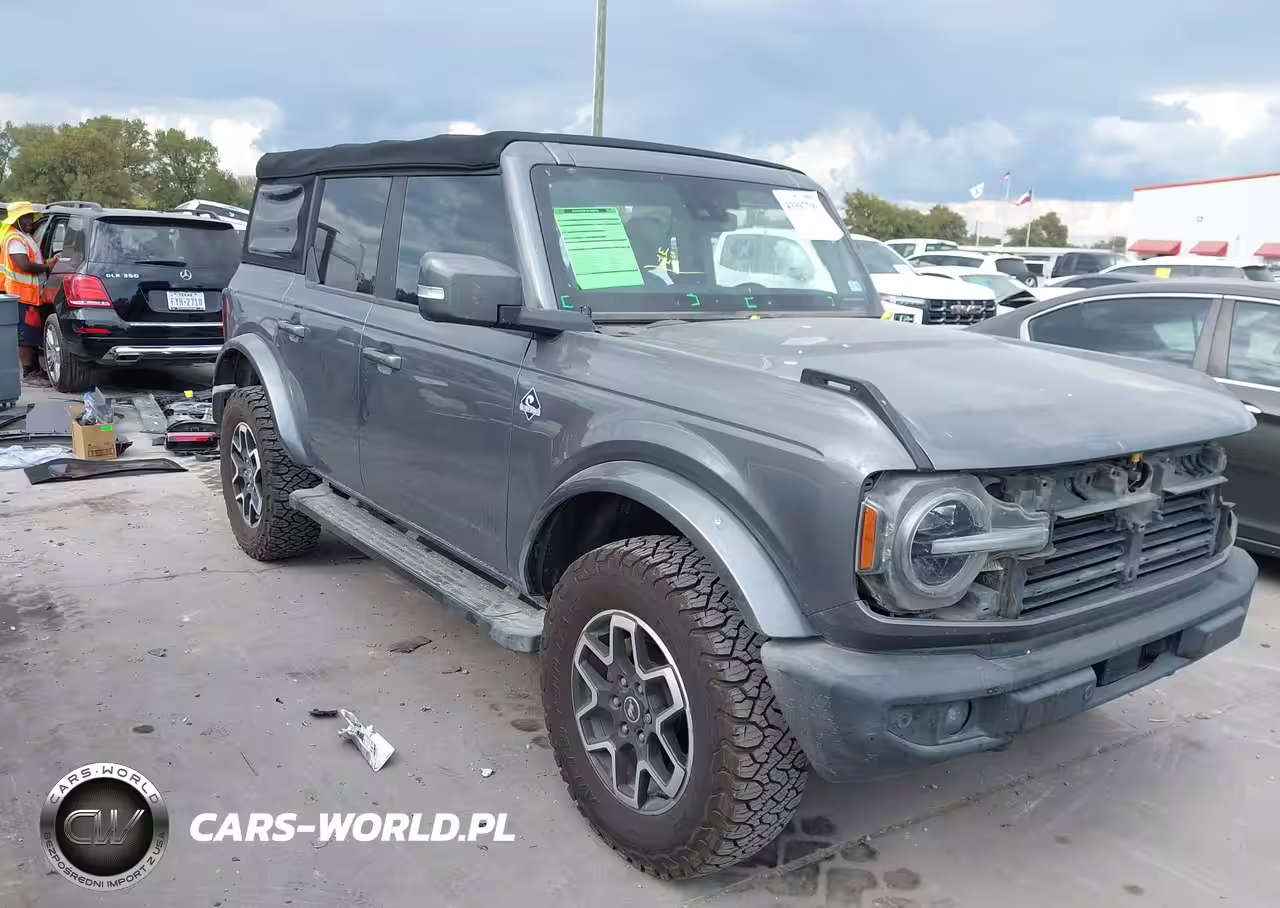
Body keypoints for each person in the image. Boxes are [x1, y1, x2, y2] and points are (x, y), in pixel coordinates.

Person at [1, 202, 54, 386]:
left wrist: (47, 261)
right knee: (24, 336)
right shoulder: (14, 239)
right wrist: (48, 266)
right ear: (16, 219)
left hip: (30, 295)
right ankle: (29, 373)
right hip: (21, 295)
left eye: (30, 217)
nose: (29, 221)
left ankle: (35, 370)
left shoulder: (25, 236)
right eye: (25, 218)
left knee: (30, 334)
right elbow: (24, 265)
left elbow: (32, 260)